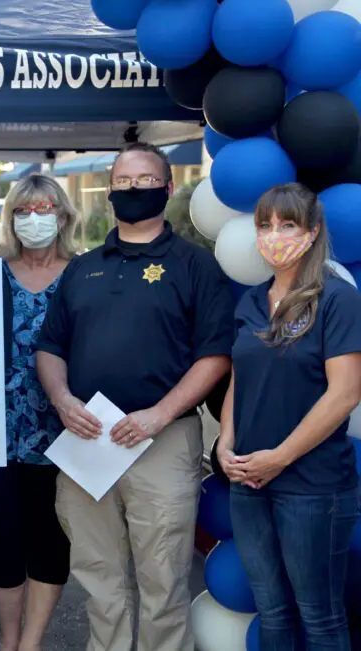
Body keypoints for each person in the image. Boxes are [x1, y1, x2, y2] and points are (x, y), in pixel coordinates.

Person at [36, 142, 235, 651]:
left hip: (162, 439)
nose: (132, 190)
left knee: (162, 579)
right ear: (109, 192)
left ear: (167, 189)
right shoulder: (83, 268)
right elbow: (50, 347)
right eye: (122, 182)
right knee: (98, 578)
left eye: (144, 180)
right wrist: (61, 399)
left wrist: (158, 415)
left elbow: (214, 356)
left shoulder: (195, 266)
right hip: (88, 441)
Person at [217, 183, 361, 651]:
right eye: (265, 225)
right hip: (248, 482)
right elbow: (240, 378)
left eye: (287, 224)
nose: (273, 234)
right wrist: (225, 442)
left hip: (313, 486)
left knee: (319, 616)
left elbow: (345, 394)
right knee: (272, 611)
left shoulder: (336, 300)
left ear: (313, 231)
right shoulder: (252, 301)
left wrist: (279, 457)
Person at [0, 174, 78, 651]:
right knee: (2, 537)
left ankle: (32, 642)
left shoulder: (83, 274)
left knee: (51, 538)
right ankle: (7, 640)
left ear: (63, 216)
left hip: (65, 427)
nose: (35, 219)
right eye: (23, 210)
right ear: (11, 218)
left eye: (45, 209)